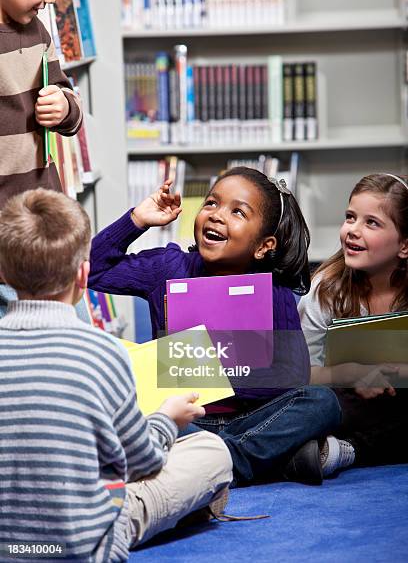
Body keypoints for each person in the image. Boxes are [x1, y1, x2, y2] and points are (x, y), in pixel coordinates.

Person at [0, 188, 232, 561]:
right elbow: (145, 462)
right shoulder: (104, 353)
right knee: (211, 451)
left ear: (3, 274)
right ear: (82, 276)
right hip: (85, 546)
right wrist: (166, 421)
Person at [89, 166, 344, 486]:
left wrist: (198, 369)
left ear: (264, 245)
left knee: (322, 402)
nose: (216, 215)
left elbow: (292, 374)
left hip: (251, 419)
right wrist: (136, 220)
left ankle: (218, 462)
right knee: (117, 399)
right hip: (181, 419)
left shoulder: (273, 289)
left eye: (238, 211)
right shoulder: (167, 267)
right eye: (211, 203)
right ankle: (259, 461)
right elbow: (91, 270)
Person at [298, 173, 408, 473]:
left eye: (371, 222)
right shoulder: (325, 290)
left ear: (404, 246)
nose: (352, 230)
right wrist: (353, 374)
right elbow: (302, 374)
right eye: (350, 217)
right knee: (314, 405)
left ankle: (346, 452)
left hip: (399, 401)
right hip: (345, 402)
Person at [0, 0, 83, 315]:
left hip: (44, 218)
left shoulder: (38, 31)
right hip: (6, 227)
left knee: (69, 323)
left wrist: (64, 107)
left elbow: (66, 93)